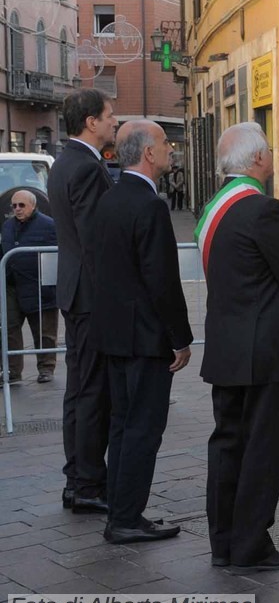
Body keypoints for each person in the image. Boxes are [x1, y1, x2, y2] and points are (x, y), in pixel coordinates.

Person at [196, 122, 279, 573]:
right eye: (268, 150)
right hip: (265, 352)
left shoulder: (213, 209)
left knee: (227, 446)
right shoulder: (264, 210)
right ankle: (251, 546)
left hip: (226, 348)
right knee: (262, 449)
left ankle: (224, 543)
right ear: (258, 159)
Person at [91, 121, 192, 544]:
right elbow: (161, 278)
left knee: (121, 425)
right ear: (148, 153)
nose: (170, 150)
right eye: (165, 144)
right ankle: (127, 519)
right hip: (145, 337)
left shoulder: (110, 199)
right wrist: (180, 337)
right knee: (143, 429)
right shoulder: (149, 205)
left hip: (115, 334)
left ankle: (122, 511)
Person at [48, 88, 119, 515]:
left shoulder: (63, 162)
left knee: (78, 390)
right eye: (109, 116)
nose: (114, 122)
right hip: (91, 294)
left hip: (75, 290)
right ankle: (89, 482)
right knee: (92, 392)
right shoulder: (88, 168)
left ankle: (78, 479)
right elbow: (98, 240)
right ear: (91, 121)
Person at [1, 191, 58, 384]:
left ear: (33, 205)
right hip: (12, 286)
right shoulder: (7, 226)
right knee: (9, 329)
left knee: (44, 331)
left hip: (40, 287)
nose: (17, 209)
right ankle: (12, 371)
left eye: (21, 205)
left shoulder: (49, 225)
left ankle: (46, 368)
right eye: (14, 206)